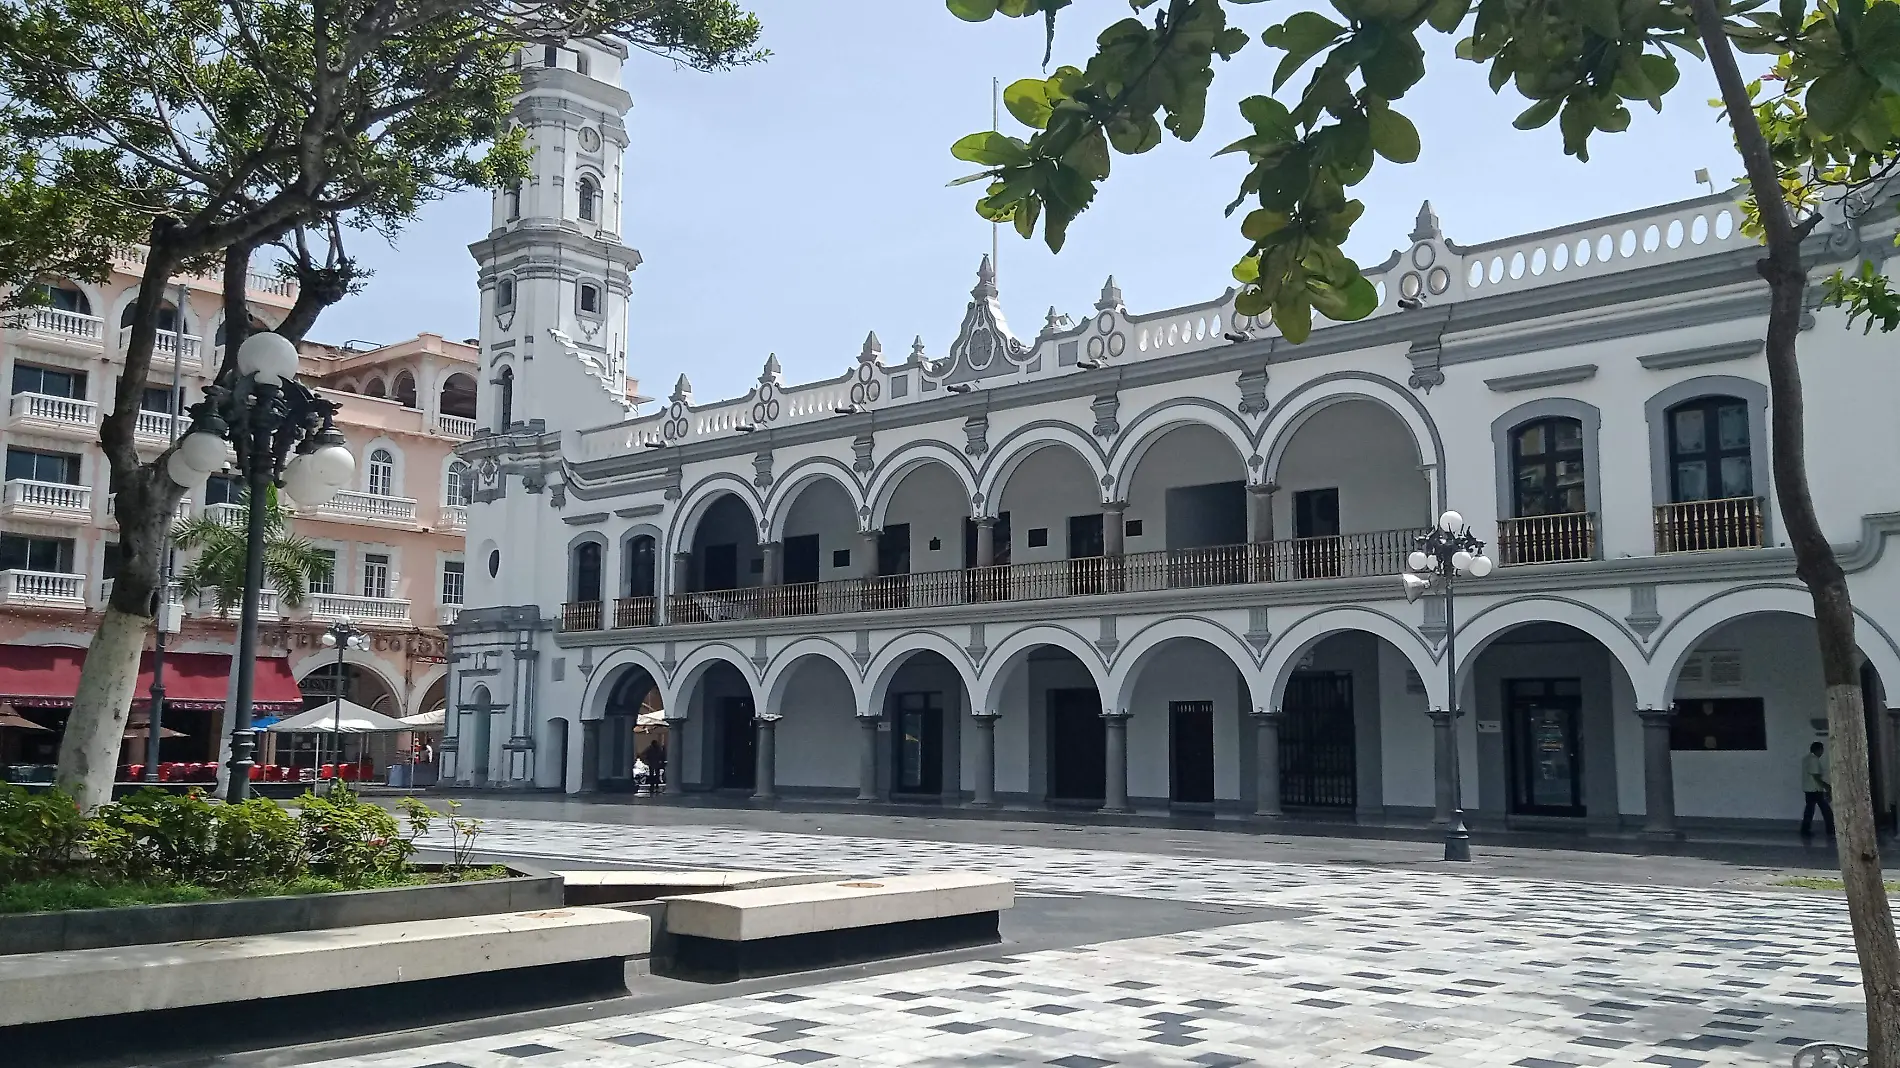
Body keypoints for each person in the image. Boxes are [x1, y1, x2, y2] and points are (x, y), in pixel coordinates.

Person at [1802, 741, 1836, 840]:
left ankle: (1805, 830)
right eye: (1822, 750)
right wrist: (1827, 786)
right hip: (1815, 789)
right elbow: (1816, 776)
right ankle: (1831, 830)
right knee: (1826, 811)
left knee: (1809, 810)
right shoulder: (1814, 760)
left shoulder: (1806, 759)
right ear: (1818, 750)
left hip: (1808, 789)